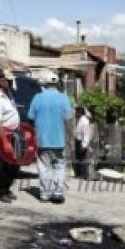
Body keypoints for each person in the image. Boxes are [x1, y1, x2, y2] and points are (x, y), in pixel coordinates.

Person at [28, 73, 74, 203]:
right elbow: (69, 119)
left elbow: (30, 117)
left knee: (43, 166)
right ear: (57, 83)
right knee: (59, 166)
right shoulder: (63, 98)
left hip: (42, 139)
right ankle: (58, 193)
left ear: (45, 84)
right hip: (58, 139)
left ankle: (44, 194)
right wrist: (69, 137)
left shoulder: (37, 98)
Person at [0, 70, 21, 203]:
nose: (12, 83)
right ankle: (0, 191)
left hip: (13, 134)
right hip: (3, 135)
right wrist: (5, 141)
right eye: (9, 81)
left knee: (12, 164)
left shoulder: (8, 95)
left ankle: (6, 188)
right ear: (1, 81)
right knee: (2, 165)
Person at [74, 106, 92, 180]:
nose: (75, 114)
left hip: (82, 141)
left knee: (83, 158)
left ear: (79, 112)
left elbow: (86, 133)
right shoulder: (80, 120)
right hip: (78, 141)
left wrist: (84, 144)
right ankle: (80, 174)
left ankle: (84, 175)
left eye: (76, 112)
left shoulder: (84, 121)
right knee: (79, 158)